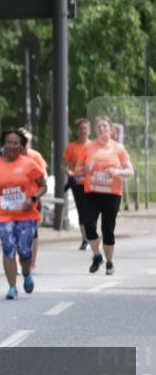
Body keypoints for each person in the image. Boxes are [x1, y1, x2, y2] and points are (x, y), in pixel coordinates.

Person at [0, 129, 48, 300]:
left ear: (21, 146)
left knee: (25, 251)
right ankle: (12, 287)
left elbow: (43, 185)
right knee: (8, 248)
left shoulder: (29, 164)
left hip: (26, 214)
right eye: (8, 142)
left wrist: (33, 198)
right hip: (4, 214)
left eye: (15, 143)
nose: (12, 146)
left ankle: (26, 274)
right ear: (3, 144)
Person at [82, 116, 133, 275]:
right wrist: (86, 168)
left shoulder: (118, 148)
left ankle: (109, 263)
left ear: (110, 129)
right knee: (89, 225)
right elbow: (78, 170)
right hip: (92, 192)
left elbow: (130, 171)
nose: (102, 129)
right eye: (99, 126)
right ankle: (97, 256)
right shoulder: (89, 148)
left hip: (112, 194)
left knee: (108, 229)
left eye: (105, 126)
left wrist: (117, 172)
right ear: (95, 130)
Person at [19, 128, 48, 272]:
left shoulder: (35, 157)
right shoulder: (11, 156)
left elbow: (44, 177)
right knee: (16, 231)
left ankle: (32, 263)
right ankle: (19, 262)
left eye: (26, 142)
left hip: (33, 198)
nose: (23, 144)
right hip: (15, 198)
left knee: (32, 231)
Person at [63, 118, 91, 250]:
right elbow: (63, 165)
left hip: (92, 183)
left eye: (85, 128)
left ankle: (92, 235)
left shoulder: (94, 146)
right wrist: (68, 172)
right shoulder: (71, 147)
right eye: (81, 129)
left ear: (89, 131)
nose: (83, 131)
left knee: (91, 210)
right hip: (77, 183)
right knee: (82, 211)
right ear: (77, 131)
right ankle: (85, 238)